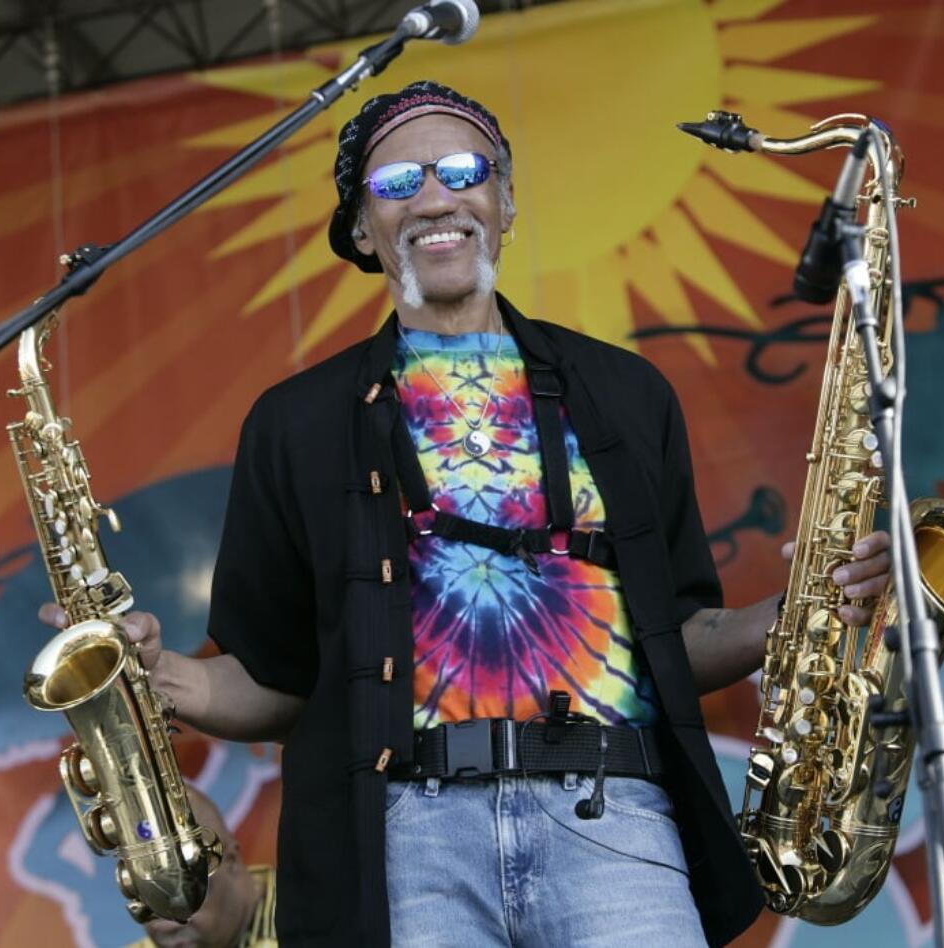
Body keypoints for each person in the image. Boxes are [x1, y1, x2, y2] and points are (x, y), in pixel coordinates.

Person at [43, 81, 890, 947]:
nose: (435, 196)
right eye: (397, 182)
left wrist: (807, 609)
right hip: (409, 835)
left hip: (616, 815)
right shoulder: (293, 422)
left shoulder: (627, 393)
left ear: (505, 200)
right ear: (362, 229)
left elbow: (676, 636)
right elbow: (280, 681)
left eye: (462, 169)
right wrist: (157, 676)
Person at [122, 788, 276, 948]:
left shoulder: (301, 919)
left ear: (231, 862)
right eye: (148, 903)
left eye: (186, 895)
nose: (165, 926)